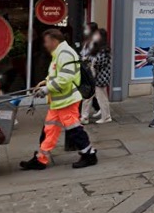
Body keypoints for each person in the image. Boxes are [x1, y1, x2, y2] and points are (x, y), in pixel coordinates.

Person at [20, 29, 97, 170]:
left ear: (54, 41)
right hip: (59, 101)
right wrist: (45, 82)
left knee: (74, 130)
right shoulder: (60, 53)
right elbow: (57, 75)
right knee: (49, 129)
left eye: (46, 41)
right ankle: (41, 158)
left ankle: (89, 154)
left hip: (66, 101)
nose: (45, 44)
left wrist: (46, 89)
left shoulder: (65, 54)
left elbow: (65, 79)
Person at [81, 29, 112, 124]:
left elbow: (98, 62)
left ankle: (106, 117)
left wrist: (89, 60)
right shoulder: (98, 48)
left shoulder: (103, 50)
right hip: (94, 77)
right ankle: (84, 117)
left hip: (99, 78)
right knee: (88, 97)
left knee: (101, 98)